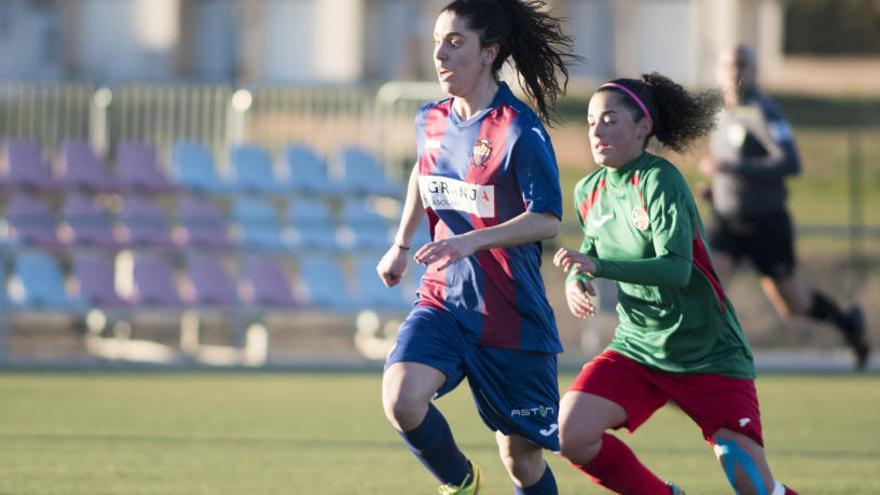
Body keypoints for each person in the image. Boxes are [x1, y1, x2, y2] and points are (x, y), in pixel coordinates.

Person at [553, 73, 799, 495]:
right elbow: (590, 249)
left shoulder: (658, 179)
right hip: (638, 348)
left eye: (610, 119)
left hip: (706, 352)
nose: (598, 130)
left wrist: (595, 266)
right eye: (592, 121)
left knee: (753, 486)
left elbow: (675, 269)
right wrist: (577, 278)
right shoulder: (588, 189)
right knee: (570, 433)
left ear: (643, 126)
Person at [376, 1, 577, 494]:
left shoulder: (518, 129)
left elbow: (548, 219)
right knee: (402, 399)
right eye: (437, 43)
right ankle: (461, 483)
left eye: (455, 42)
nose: (440, 54)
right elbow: (422, 173)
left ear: (489, 52)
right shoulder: (431, 120)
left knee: (521, 460)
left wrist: (471, 241)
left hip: (510, 315)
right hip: (444, 302)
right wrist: (400, 244)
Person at [699, 44, 869, 370]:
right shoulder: (721, 113)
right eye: (729, 66)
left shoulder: (763, 111)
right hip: (726, 221)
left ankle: (850, 325)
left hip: (766, 224)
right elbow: (728, 165)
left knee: (794, 305)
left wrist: (733, 170)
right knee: (705, 289)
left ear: (754, 70)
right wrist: (716, 191)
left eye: (742, 65)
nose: (735, 72)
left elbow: (790, 162)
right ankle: (701, 365)